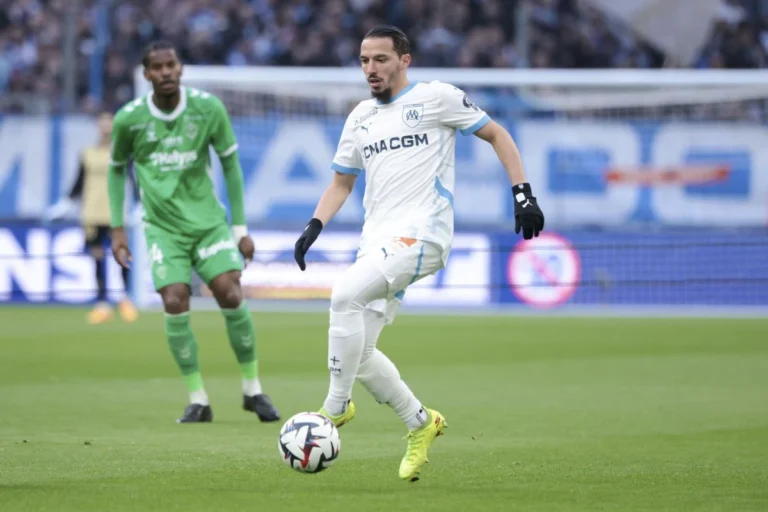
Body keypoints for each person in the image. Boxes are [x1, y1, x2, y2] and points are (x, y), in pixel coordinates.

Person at [293, 25, 545, 481]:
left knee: (343, 296)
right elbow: (341, 182)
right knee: (362, 352)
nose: (371, 69)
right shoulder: (360, 118)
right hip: (377, 242)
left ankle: (334, 408)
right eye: (365, 60)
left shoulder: (436, 97)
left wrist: (522, 193)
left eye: (381, 59)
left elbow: (499, 136)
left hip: (423, 235)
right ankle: (420, 422)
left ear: (404, 61)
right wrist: (314, 226)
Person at [107, 40, 280, 424]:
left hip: (208, 224)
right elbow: (116, 169)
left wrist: (240, 229)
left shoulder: (207, 109)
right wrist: (117, 228)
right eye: (158, 67)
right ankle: (198, 399)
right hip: (162, 228)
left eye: (172, 65)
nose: (167, 72)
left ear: (181, 68)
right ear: (147, 74)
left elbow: (231, 167)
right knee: (173, 299)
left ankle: (253, 389)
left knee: (230, 290)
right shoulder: (129, 120)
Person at [44, 112, 139, 324]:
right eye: (102, 123)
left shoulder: (122, 152)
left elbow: (133, 179)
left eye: (109, 123)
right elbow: (79, 182)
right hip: (91, 213)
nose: (105, 127)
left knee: (121, 256)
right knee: (97, 258)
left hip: (116, 214)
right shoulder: (87, 153)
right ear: (98, 127)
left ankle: (125, 300)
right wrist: (65, 203)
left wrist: (139, 205)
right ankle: (103, 304)